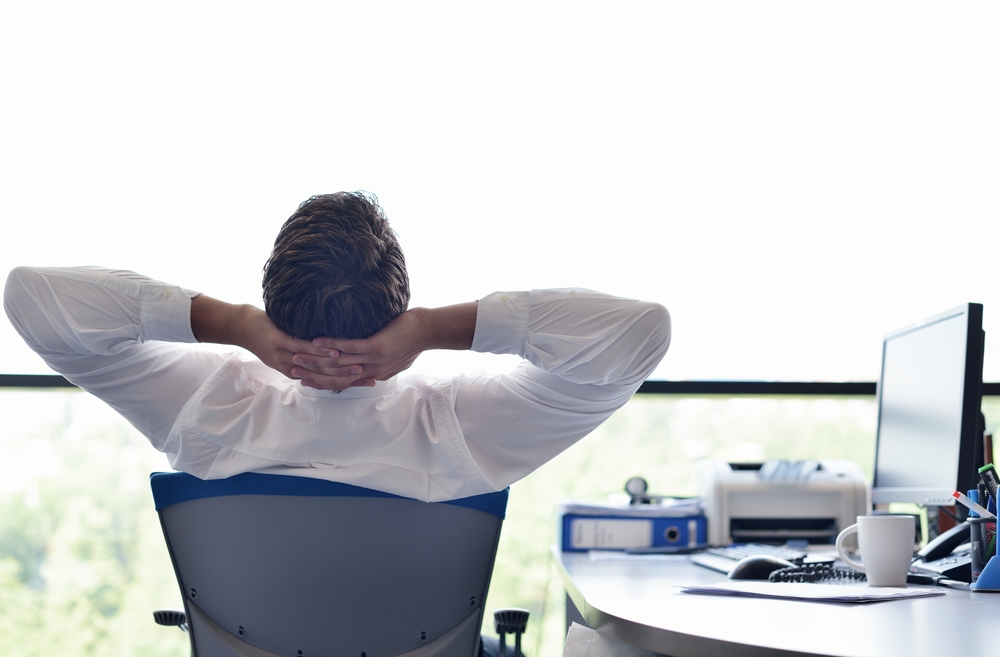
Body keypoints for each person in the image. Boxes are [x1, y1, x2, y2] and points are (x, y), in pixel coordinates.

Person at [4, 191, 671, 503]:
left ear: (273, 304)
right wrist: (432, 329)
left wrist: (233, 324)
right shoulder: (462, 433)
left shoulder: (208, 414)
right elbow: (640, 334)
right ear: (397, 308)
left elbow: (31, 298)